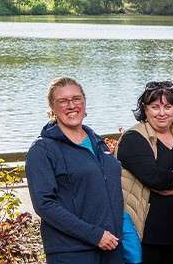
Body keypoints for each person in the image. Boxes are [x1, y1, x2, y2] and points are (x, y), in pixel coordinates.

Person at [27, 78, 124, 263]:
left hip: (112, 248)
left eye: (76, 99)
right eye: (63, 101)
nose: (71, 105)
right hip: (72, 252)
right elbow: (44, 205)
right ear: (52, 108)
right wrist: (94, 235)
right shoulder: (42, 150)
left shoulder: (97, 142)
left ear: (84, 102)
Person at [116, 81, 173, 264]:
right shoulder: (133, 139)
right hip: (146, 233)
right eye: (155, 107)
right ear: (145, 108)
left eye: (168, 106)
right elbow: (156, 179)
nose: (162, 113)